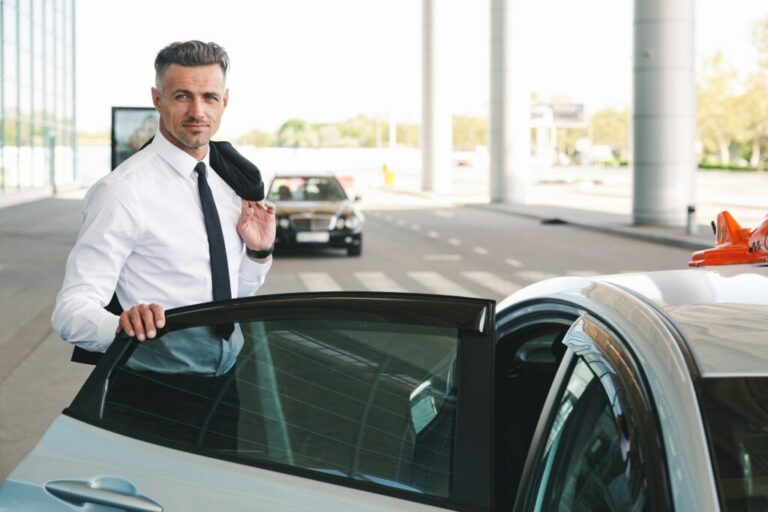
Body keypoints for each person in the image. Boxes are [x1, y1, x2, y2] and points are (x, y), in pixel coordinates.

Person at [52, 40, 276, 360]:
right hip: (153, 384)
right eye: (182, 96)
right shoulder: (122, 191)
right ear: (157, 99)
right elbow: (70, 309)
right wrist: (120, 326)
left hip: (229, 375)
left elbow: (233, 297)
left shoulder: (231, 183)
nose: (197, 111)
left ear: (224, 101)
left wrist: (258, 253)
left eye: (209, 97)